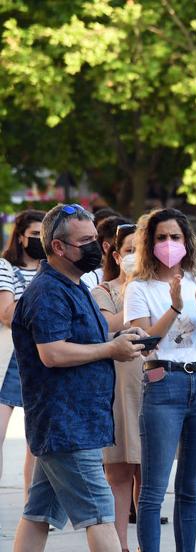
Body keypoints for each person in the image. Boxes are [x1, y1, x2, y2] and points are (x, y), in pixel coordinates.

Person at [11, 203, 148, 552]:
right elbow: (52, 352)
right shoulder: (49, 291)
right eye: (85, 240)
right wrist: (110, 350)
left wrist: (117, 344)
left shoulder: (72, 286)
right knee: (101, 517)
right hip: (67, 426)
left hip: (75, 422)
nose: (95, 247)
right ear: (58, 247)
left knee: (38, 514)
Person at [123, 207, 196, 552]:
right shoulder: (138, 287)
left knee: (190, 489)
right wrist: (177, 306)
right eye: (161, 237)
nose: (169, 243)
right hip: (162, 383)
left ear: (187, 241)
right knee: (153, 490)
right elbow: (144, 341)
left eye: (175, 237)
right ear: (149, 243)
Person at [91, 220, 143, 551]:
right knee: (118, 476)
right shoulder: (103, 290)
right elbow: (103, 325)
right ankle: (119, 545)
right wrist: (138, 301)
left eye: (142, 249)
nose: (135, 256)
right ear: (115, 252)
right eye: (129, 250)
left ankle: (145, 544)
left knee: (148, 478)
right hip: (117, 393)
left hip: (154, 389)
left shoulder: (164, 288)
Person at [0, 209, 44, 499]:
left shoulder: (54, 270)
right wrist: (40, 288)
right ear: (20, 237)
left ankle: (34, 506)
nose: (40, 241)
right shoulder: (5, 267)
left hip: (41, 356)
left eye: (44, 235)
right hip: (11, 358)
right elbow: (7, 314)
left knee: (36, 443)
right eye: (35, 235)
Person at [80, 215, 128, 289]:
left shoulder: (140, 280)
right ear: (106, 247)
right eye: (129, 250)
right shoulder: (90, 279)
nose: (134, 255)